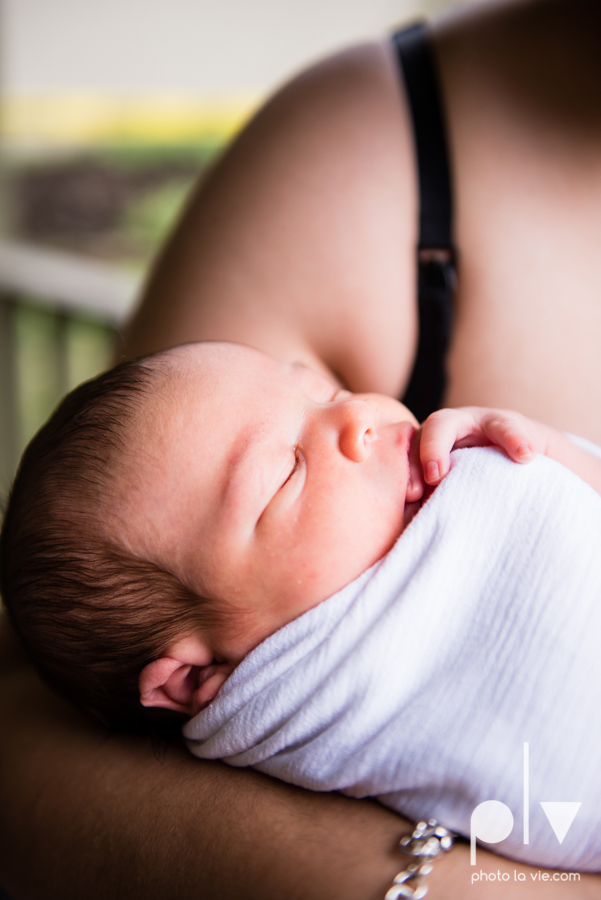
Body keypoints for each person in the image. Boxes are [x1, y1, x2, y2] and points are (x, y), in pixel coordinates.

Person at [1, 0, 601, 895]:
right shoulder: (362, 159)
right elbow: (29, 742)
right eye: (285, 468)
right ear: (192, 678)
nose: (361, 413)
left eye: (322, 391)